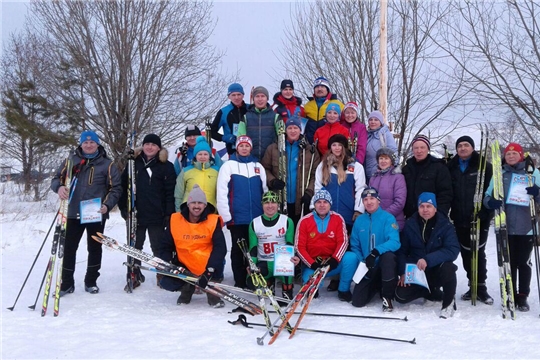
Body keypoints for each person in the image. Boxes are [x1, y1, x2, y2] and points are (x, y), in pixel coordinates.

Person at [51, 130, 122, 295]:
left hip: (95, 212)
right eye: (85, 142)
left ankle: (91, 281)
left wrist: (107, 205)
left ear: (97, 144)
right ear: (81, 144)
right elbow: (55, 179)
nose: (89, 145)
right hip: (72, 212)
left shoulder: (107, 164)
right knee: (69, 248)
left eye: (92, 142)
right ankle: (67, 283)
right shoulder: (70, 161)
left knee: (95, 248)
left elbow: (115, 188)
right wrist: (59, 187)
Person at [483, 142, 540, 312]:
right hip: (504, 225)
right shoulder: (500, 173)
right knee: (508, 262)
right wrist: (490, 202)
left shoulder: (532, 172)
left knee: (523, 262)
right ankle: (510, 293)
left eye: (515, 153)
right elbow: (487, 196)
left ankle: (522, 296)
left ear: (521, 155)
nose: (511, 156)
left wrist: (537, 193)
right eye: (508, 154)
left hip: (525, 226)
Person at [118, 133, 176, 288]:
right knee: (135, 246)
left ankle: (161, 275)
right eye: (147, 144)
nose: (150, 147)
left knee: (158, 246)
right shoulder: (133, 163)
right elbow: (123, 186)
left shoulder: (166, 166)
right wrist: (123, 207)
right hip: (136, 213)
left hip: (157, 214)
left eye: (154, 145)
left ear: (159, 148)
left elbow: (170, 192)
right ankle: (134, 274)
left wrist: (169, 213)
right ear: (143, 146)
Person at [159, 185, 227, 307]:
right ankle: (187, 287)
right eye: (193, 202)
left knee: (217, 266)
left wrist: (209, 270)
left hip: (208, 267)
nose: (196, 206)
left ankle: (212, 291)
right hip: (185, 266)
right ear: (188, 204)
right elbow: (165, 246)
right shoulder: (175, 220)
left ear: (205, 205)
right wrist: (168, 262)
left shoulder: (213, 221)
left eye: (200, 203)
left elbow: (220, 248)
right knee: (167, 282)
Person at [395, 192, 460, 319]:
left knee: (449, 267)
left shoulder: (445, 225)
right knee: (400, 296)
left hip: (436, 269)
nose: (425, 210)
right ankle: (430, 292)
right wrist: (403, 272)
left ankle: (448, 303)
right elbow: (402, 251)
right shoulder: (410, 224)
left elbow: (452, 250)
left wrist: (428, 259)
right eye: (422, 206)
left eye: (429, 206)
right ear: (418, 208)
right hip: (416, 272)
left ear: (435, 208)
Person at [217, 135, 268, 289]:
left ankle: (253, 279)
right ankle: (239, 280)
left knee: (255, 250)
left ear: (250, 148)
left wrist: (266, 214)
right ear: (237, 148)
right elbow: (221, 192)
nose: (244, 148)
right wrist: (226, 216)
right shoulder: (229, 166)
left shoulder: (258, 166)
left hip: (257, 218)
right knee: (239, 251)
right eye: (241, 146)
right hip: (237, 218)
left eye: (247, 146)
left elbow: (264, 190)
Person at [448, 135, 494, 304]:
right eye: (460, 145)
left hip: (479, 217)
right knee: (466, 253)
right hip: (459, 217)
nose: (463, 148)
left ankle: (481, 287)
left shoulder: (484, 166)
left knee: (478, 252)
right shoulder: (451, 167)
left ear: (472, 148)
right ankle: (472, 285)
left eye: (466, 145)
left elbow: (492, 192)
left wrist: (486, 211)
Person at [295, 189, 358, 301]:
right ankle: (315, 285)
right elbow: (299, 247)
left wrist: (335, 259)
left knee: (351, 257)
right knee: (311, 291)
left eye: (325, 202)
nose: (322, 205)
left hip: (332, 263)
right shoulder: (305, 221)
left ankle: (344, 290)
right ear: (314, 204)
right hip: (314, 265)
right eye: (319, 202)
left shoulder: (338, 218)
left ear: (330, 204)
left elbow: (343, 242)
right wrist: (312, 264)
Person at [261, 115, 320, 226]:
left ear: (300, 130)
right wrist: (272, 181)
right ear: (285, 130)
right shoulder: (273, 148)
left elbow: (315, 174)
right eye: (290, 128)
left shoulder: (309, 151)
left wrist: (309, 192)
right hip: (280, 199)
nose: (293, 131)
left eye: (295, 128)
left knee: (298, 231)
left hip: (300, 200)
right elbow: (265, 168)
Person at [350, 187, 401, 311]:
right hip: (368, 266)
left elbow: (395, 242)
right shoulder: (359, 221)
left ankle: (387, 297)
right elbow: (355, 245)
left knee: (388, 257)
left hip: (383, 264)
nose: (369, 202)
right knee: (357, 302)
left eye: (372, 198)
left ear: (378, 200)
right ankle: (377, 286)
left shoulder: (388, 218)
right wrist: (363, 260)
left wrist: (376, 252)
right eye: (365, 199)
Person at [248, 191, 298, 301]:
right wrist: (252, 265)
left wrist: (294, 258)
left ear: (278, 205)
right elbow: (253, 249)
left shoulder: (287, 221)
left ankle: (287, 293)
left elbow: (290, 244)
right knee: (253, 280)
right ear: (262, 205)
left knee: (287, 273)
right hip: (264, 260)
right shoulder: (255, 223)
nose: (270, 206)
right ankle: (270, 288)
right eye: (266, 203)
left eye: (273, 203)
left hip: (281, 261)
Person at [315, 134, 366, 234]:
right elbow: (318, 187)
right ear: (330, 147)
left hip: (348, 213)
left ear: (344, 147)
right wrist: (315, 207)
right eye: (334, 145)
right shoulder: (323, 165)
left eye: (340, 145)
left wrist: (358, 210)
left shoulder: (355, 166)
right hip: (328, 213)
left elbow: (360, 189)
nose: (337, 148)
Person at [402, 134, 453, 218]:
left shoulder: (439, 168)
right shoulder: (406, 169)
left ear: (428, 149)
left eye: (422, 147)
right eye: (416, 148)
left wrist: (440, 214)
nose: (419, 151)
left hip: (432, 216)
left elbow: (445, 193)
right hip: (411, 216)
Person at [174, 136, 220, 212]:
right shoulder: (186, 171)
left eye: (205, 154)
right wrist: (179, 211)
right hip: (189, 212)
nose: (202, 157)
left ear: (209, 156)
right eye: (200, 154)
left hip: (211, 211)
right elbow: (179, 194)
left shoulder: (216, 171)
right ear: (195, 155)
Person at [238, 86, 282, 161]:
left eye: (263, 96)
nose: (260, 99)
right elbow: (240, 139)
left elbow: (282, 138)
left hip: (270, 159)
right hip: (251, 159)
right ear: (253, 99)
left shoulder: (276, 117)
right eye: (257, 96)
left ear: (267, 98)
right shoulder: (246, 117)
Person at [368, 147, 406, 230]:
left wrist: (383, 216)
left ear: (391, 161)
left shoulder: (398, 177)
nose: (383, 161)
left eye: (386, 158)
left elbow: (400, 202)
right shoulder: (373, 178)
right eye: (381, 158)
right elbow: (368, 199)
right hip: (375, 221)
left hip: (392, 221)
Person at [210, 82, 248, 156]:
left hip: (250, 150)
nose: (236, 97)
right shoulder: (223, 112)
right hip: (232, 151)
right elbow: (212, 132)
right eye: (233, 95)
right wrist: (224, 138)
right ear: (229, 96)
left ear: (243, 95)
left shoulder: (250, 109)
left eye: (239, 94)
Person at [304, 76, 344, 144]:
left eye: (322, 87)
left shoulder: (338, 104)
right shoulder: (307, 105)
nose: (319, 89)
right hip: (310, 144)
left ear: (327, 89)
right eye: (317, 87)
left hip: (330, 144)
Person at [364, 110, 397, 182]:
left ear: (381, 122)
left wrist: (394, 170)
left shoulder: (385, 135)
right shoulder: (367, 135)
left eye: (376, 120)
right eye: (370, 120)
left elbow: (393, 151)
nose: (373, 122)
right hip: (367, 175)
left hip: (382, 175)